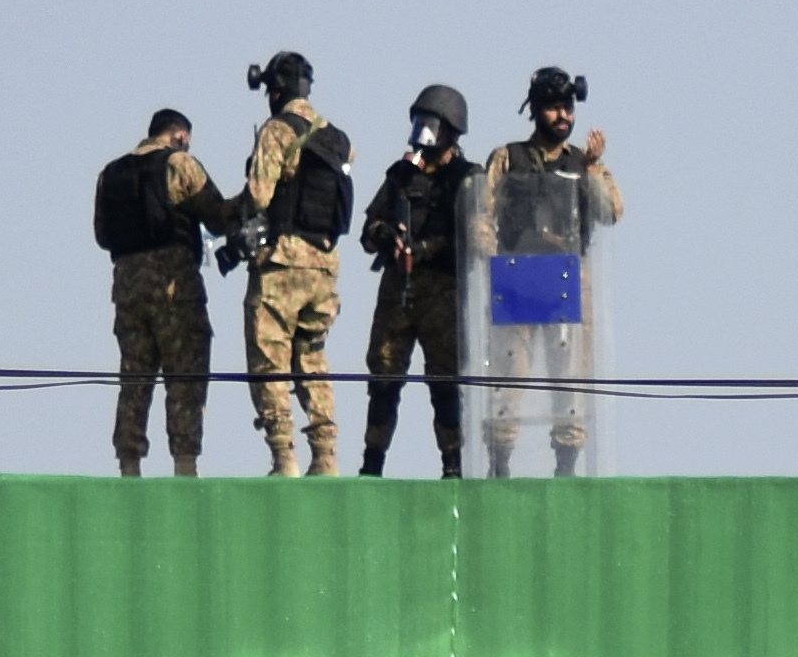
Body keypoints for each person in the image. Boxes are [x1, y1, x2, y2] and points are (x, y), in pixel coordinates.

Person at [478, 68, 621, 475]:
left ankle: (567, 465)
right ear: (537, 110)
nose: (563, 116)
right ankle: (500, 463)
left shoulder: (583, 162)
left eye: (568, 109)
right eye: (554, 108)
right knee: (508, 377)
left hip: (567, 281)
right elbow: (481, 214)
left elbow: (611, 211)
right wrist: (495, 261)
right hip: (516, 280)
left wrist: (590, 168)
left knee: (570, 380)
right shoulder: (508, 158)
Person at [235, 52, 355, 476]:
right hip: (324, 267)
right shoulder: (338, 138)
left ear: (275, 90)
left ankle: (283, 455)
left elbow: (259, 196)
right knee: (313, 358)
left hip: (282, 264)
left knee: (269, 358)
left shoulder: (278, 130)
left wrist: (235, 219)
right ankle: (325, 455)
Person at [88, 109, 222, 477]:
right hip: (174, 285)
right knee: (186, 374)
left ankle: (129, 463)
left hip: (127, 287)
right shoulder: (180, 164)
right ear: (180, 136)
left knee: (135, 376)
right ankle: (185, 463)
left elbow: (102, 235)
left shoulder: (110, 173)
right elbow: (219, 215)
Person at [359, 87, 473, 475]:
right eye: (420, 123)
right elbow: (368, 229)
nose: (424, 132)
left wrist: (423, 249)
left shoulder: (466, 179)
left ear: (451, 131)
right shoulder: (402, 174)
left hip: (442, 291)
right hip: (398, 291)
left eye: (432, 125)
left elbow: (470, 237)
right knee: (383, 378)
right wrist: (386, 234)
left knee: (445, 383)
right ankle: (372, 463)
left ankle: (453, 465)